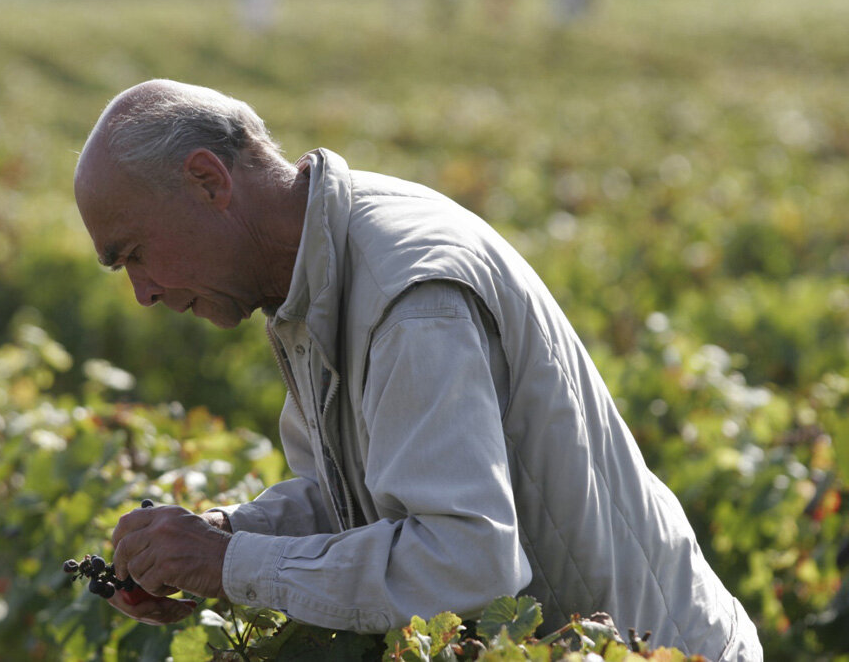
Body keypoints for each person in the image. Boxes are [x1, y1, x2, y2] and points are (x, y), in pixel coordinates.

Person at [73, 79, 762, 659]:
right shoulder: (316, 276)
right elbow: (357, 496)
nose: (143, 292)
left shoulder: (408, 297)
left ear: (207, 181)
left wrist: (229, 564)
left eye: (134, 252)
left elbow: (467, 558)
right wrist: (226, 533)